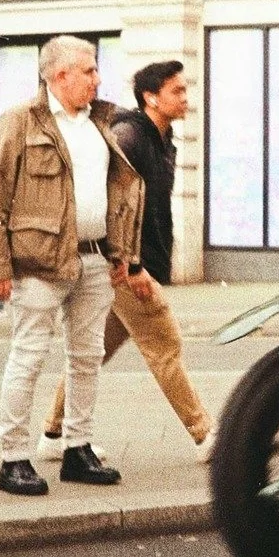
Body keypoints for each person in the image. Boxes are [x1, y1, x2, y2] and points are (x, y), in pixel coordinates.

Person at [0, 36, 142, 495]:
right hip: (38, 262)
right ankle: (13, 458)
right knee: (28, 355)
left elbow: (119, 192)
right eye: (88, 70)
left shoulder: (101, 121)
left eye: (95, 69)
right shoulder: (19, 122)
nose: (97, 78)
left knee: (87, 357)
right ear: (58, 75)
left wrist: (122, 254)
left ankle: (78, 447)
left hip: (95, 256)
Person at [41, 61, 213, 461]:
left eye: (185, 90)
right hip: (124, 266)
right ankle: (205, 434)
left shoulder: (162, 138)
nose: (185, 98)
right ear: (151, 97)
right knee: (164, 342)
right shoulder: (129, 137)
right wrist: (131, 265)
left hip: (134, 262)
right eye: (177, 91)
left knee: (93, 350)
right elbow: (110, 204)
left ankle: (52, 435)